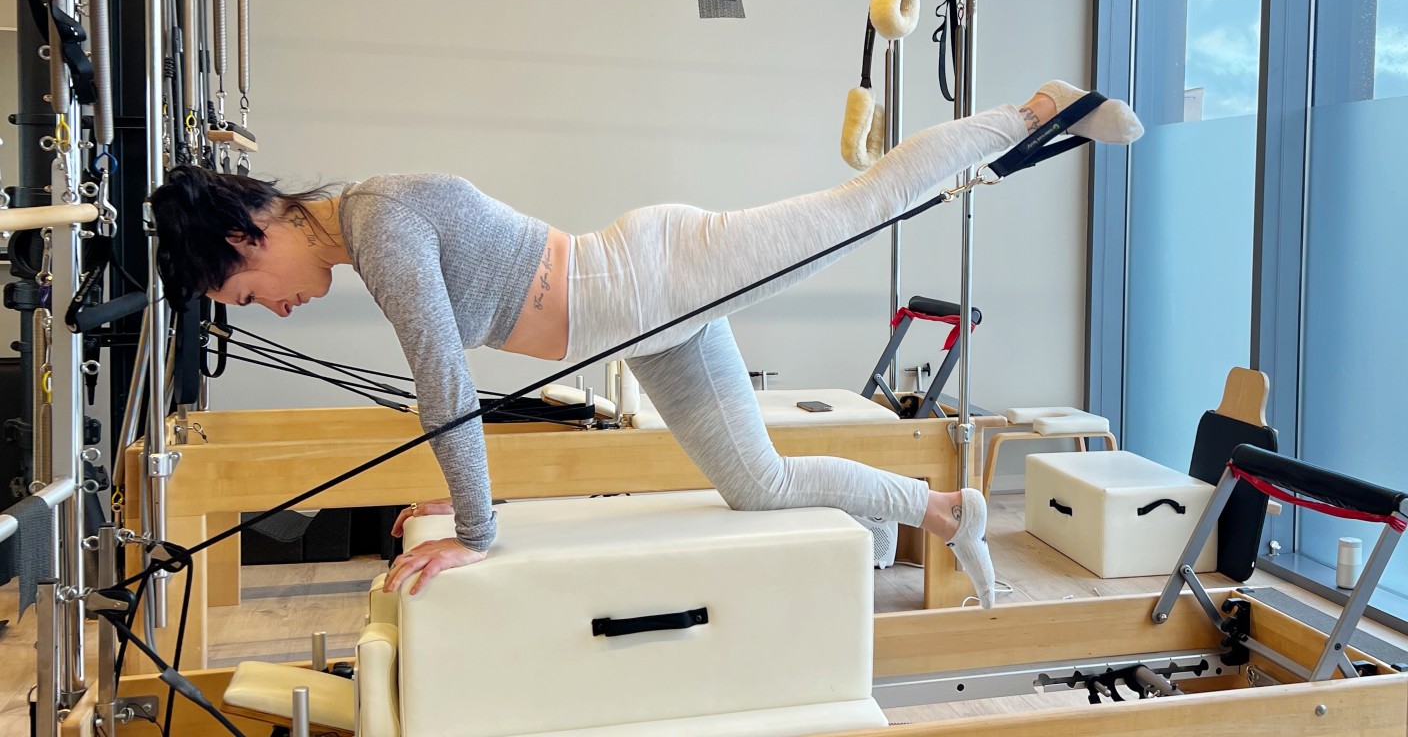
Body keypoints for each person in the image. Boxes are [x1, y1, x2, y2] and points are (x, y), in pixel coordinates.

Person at [151, 81, 1141, 607]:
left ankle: (1034, 113)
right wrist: (457, 500)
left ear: (251, 234)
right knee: (756, 484)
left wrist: (476, 531)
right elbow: (451, 382)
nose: (272, 308)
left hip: (659, 281)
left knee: (864, 205)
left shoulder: (377, 223)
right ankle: (946, 508)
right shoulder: (367, 232)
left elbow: (442, 381)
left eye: (246, 292)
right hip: (647, 322)